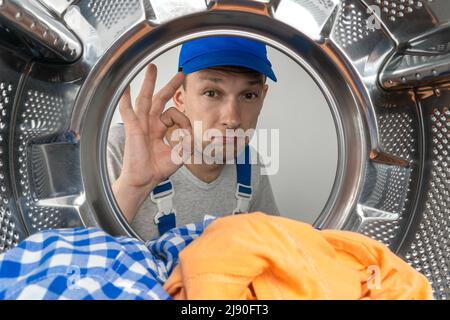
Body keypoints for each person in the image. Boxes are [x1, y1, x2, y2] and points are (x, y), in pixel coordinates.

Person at [107, 36, 280, 240]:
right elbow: (71, 263)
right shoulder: (119, 148)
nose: (232, 119)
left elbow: (274, 252)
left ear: (263, 97)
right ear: (180, 98)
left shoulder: (250, 166)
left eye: (249, 95)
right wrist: (132, 187)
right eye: (212, 93)